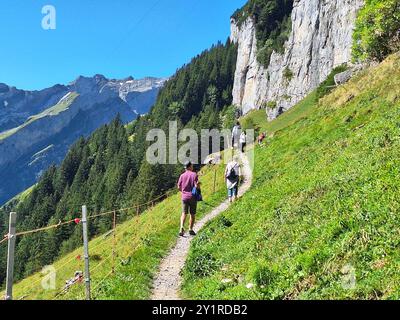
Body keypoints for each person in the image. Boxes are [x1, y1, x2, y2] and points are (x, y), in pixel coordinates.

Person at [177, 161, 199, 237]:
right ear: (190, 166)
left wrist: (183, 192)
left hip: (184, 197)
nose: (192, 167)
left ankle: (181, 227)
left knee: (184, 213)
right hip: (192, 197)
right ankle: (190, 229)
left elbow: (178, 187)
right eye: (192, 165)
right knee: (192, 214)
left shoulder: (182, 176)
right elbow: (196, 186)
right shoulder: (194, 174)